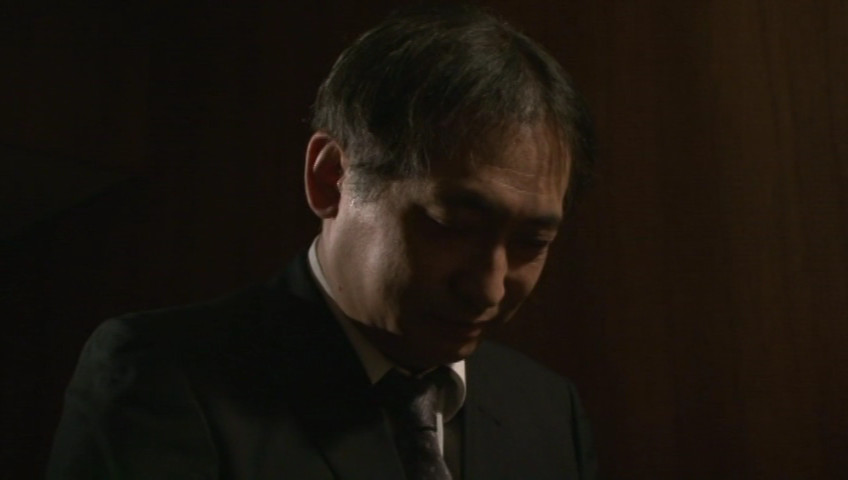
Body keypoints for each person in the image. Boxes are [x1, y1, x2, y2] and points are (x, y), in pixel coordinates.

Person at [47, 4, 598, 479]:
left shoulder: (548, 411)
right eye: (453, 225)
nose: (489, 288)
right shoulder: (166, 380)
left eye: (532, 242)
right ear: (331, 177)